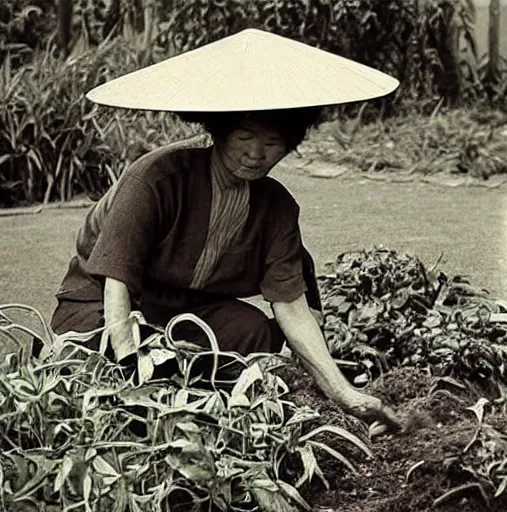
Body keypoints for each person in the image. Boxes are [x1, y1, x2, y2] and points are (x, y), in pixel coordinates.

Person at [51, 29, 402, 431]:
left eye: (272, 143)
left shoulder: (278, 207)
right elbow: (117, 280)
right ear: (218, 133)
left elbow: (291, 306)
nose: (256, 153)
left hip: (185, 309)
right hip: (104, 304)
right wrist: (133, 369)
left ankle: (206, 404)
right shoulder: (155, 178)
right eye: (244, 137)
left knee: (251, 331)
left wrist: (347, 396)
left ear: (288, 147)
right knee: (108, 369)